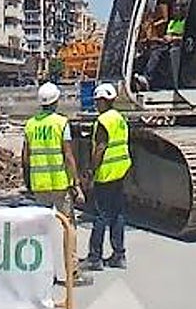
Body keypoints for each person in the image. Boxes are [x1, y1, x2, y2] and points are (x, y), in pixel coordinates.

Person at [22, 82, 89, 286]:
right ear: (56, 101)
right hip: (60, 184)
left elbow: (25, 157)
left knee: (43, 230)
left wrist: (28, 182)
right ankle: (72, 273)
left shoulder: (31, 124)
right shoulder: (61, 123)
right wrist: (76, 183)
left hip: (40, 185)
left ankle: (44, 274)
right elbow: (68, 156)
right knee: (68, 228)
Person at [80, 83, 131, 271]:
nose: (95, 104)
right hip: (120, 171)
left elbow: (100, 148)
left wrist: (90, 171)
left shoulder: (103, 121)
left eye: (97, 101)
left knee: (101, 215)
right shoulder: (119, 118)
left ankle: (95, 257)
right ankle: (119, 254)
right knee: (117, 214)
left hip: (106, 173)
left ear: (103, 101)